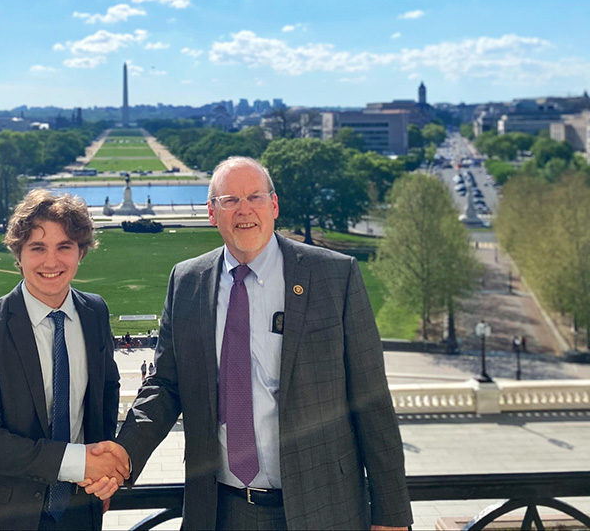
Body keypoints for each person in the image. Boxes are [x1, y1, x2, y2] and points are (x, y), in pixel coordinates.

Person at [84, 156, 412, 530]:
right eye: (230, 201)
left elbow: (372, 400)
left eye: (254, 197)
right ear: (212, 213)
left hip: (323, 505)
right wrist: (123, 457)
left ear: (273, 205)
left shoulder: (335, 277)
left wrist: (392, 514)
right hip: (223, 509)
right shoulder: (187, 282)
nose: (244, 211)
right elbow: (166, 385)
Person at [0, 189, 126, 530]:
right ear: (18, 255)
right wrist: (81, 463)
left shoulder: (95, 312)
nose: (52, 262)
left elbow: (107, 391)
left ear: (81, 253)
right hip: (4, 516)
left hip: (80, 511)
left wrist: (101, 470)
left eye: (64, 246)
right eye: (37, 248)